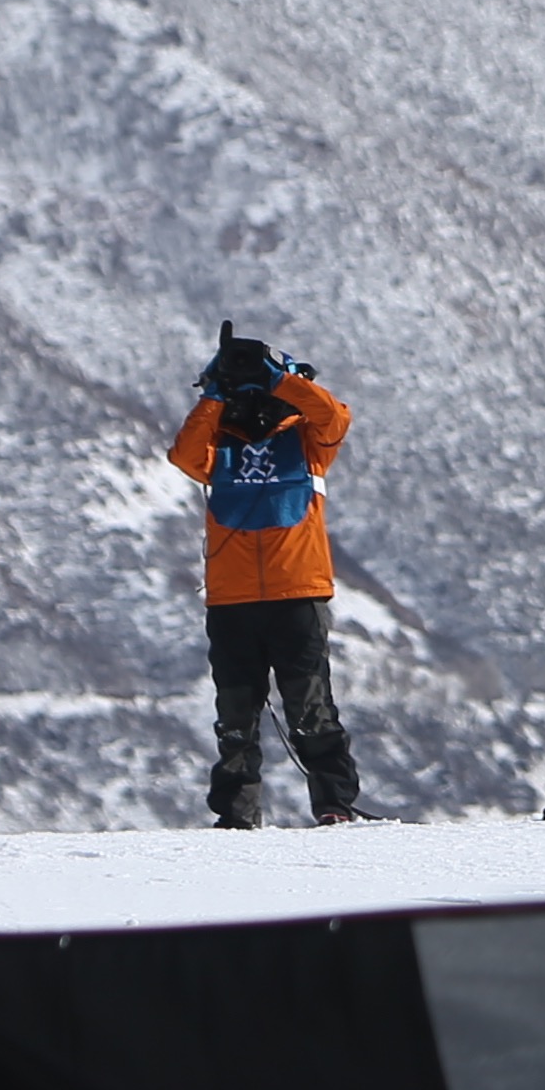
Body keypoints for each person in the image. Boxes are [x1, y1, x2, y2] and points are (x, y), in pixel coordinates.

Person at [169, 323, 362, 828]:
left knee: (310, 709)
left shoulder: (309, 440)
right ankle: (236, 813)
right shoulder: (219, 445)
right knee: (235, 719)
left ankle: (334, 805)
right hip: (232, 601)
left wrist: (276, 378)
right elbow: (184, 456)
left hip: (297, 593)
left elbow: (335, 416)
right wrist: (215, 394)